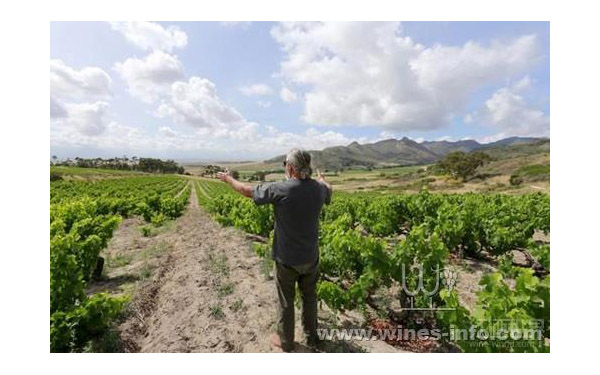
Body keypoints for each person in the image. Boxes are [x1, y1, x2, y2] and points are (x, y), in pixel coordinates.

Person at [216, 149, 332, 352]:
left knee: (286, 301)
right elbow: (329, 187)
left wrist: (227, 179)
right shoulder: (319, 189)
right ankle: (312, 337)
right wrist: (322, 179)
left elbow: (246, 190)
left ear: (290, 167)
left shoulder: (282, 189)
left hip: (287, 258)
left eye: (285, 164)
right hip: (311, 257)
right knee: (310, 297)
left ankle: (286, 342)